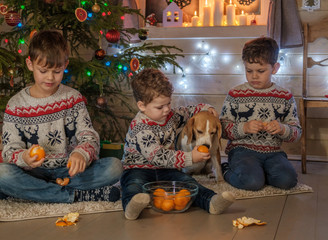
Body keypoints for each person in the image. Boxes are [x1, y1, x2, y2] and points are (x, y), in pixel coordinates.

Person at [0, 30, 123, 203]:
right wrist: (24, 157)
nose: (50, 78)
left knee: (114, 167)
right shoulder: (16, 105)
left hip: (70, 171)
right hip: (33, 173)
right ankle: (74, 194)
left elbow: (88, 136)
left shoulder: (73, 98)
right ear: (30, 64)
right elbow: (9, 151)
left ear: (65, 64)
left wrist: (82, 154)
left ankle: (32, 191)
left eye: (57, 71)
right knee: (0, 174)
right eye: (43, 71)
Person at [120, 68, 235, 220]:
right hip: (138, 168)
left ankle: (211, 201)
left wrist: (207, 108)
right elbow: (158, 157)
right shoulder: (140, 126)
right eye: (160, 107)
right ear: (142, 106)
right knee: (133, 185)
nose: (167, 109)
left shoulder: (171, 116)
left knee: (187, 182)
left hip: (165, 169)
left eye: (168, 103)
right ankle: (131, 207)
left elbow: (189, 111)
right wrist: (190, 157)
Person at [219, 37, 301, 191]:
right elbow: (222, 129)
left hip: (273, 153)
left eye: (260, 71)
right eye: (249, 71)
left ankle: (260, 173)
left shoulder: (285, 96)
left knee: (288, 181)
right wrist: (244, 128)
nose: (254, 76)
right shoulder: (236, 94)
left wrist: (283, 129)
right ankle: (226, 170)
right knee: (252, 183)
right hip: (242, 151)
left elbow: (296, 133)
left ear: (275, 68)